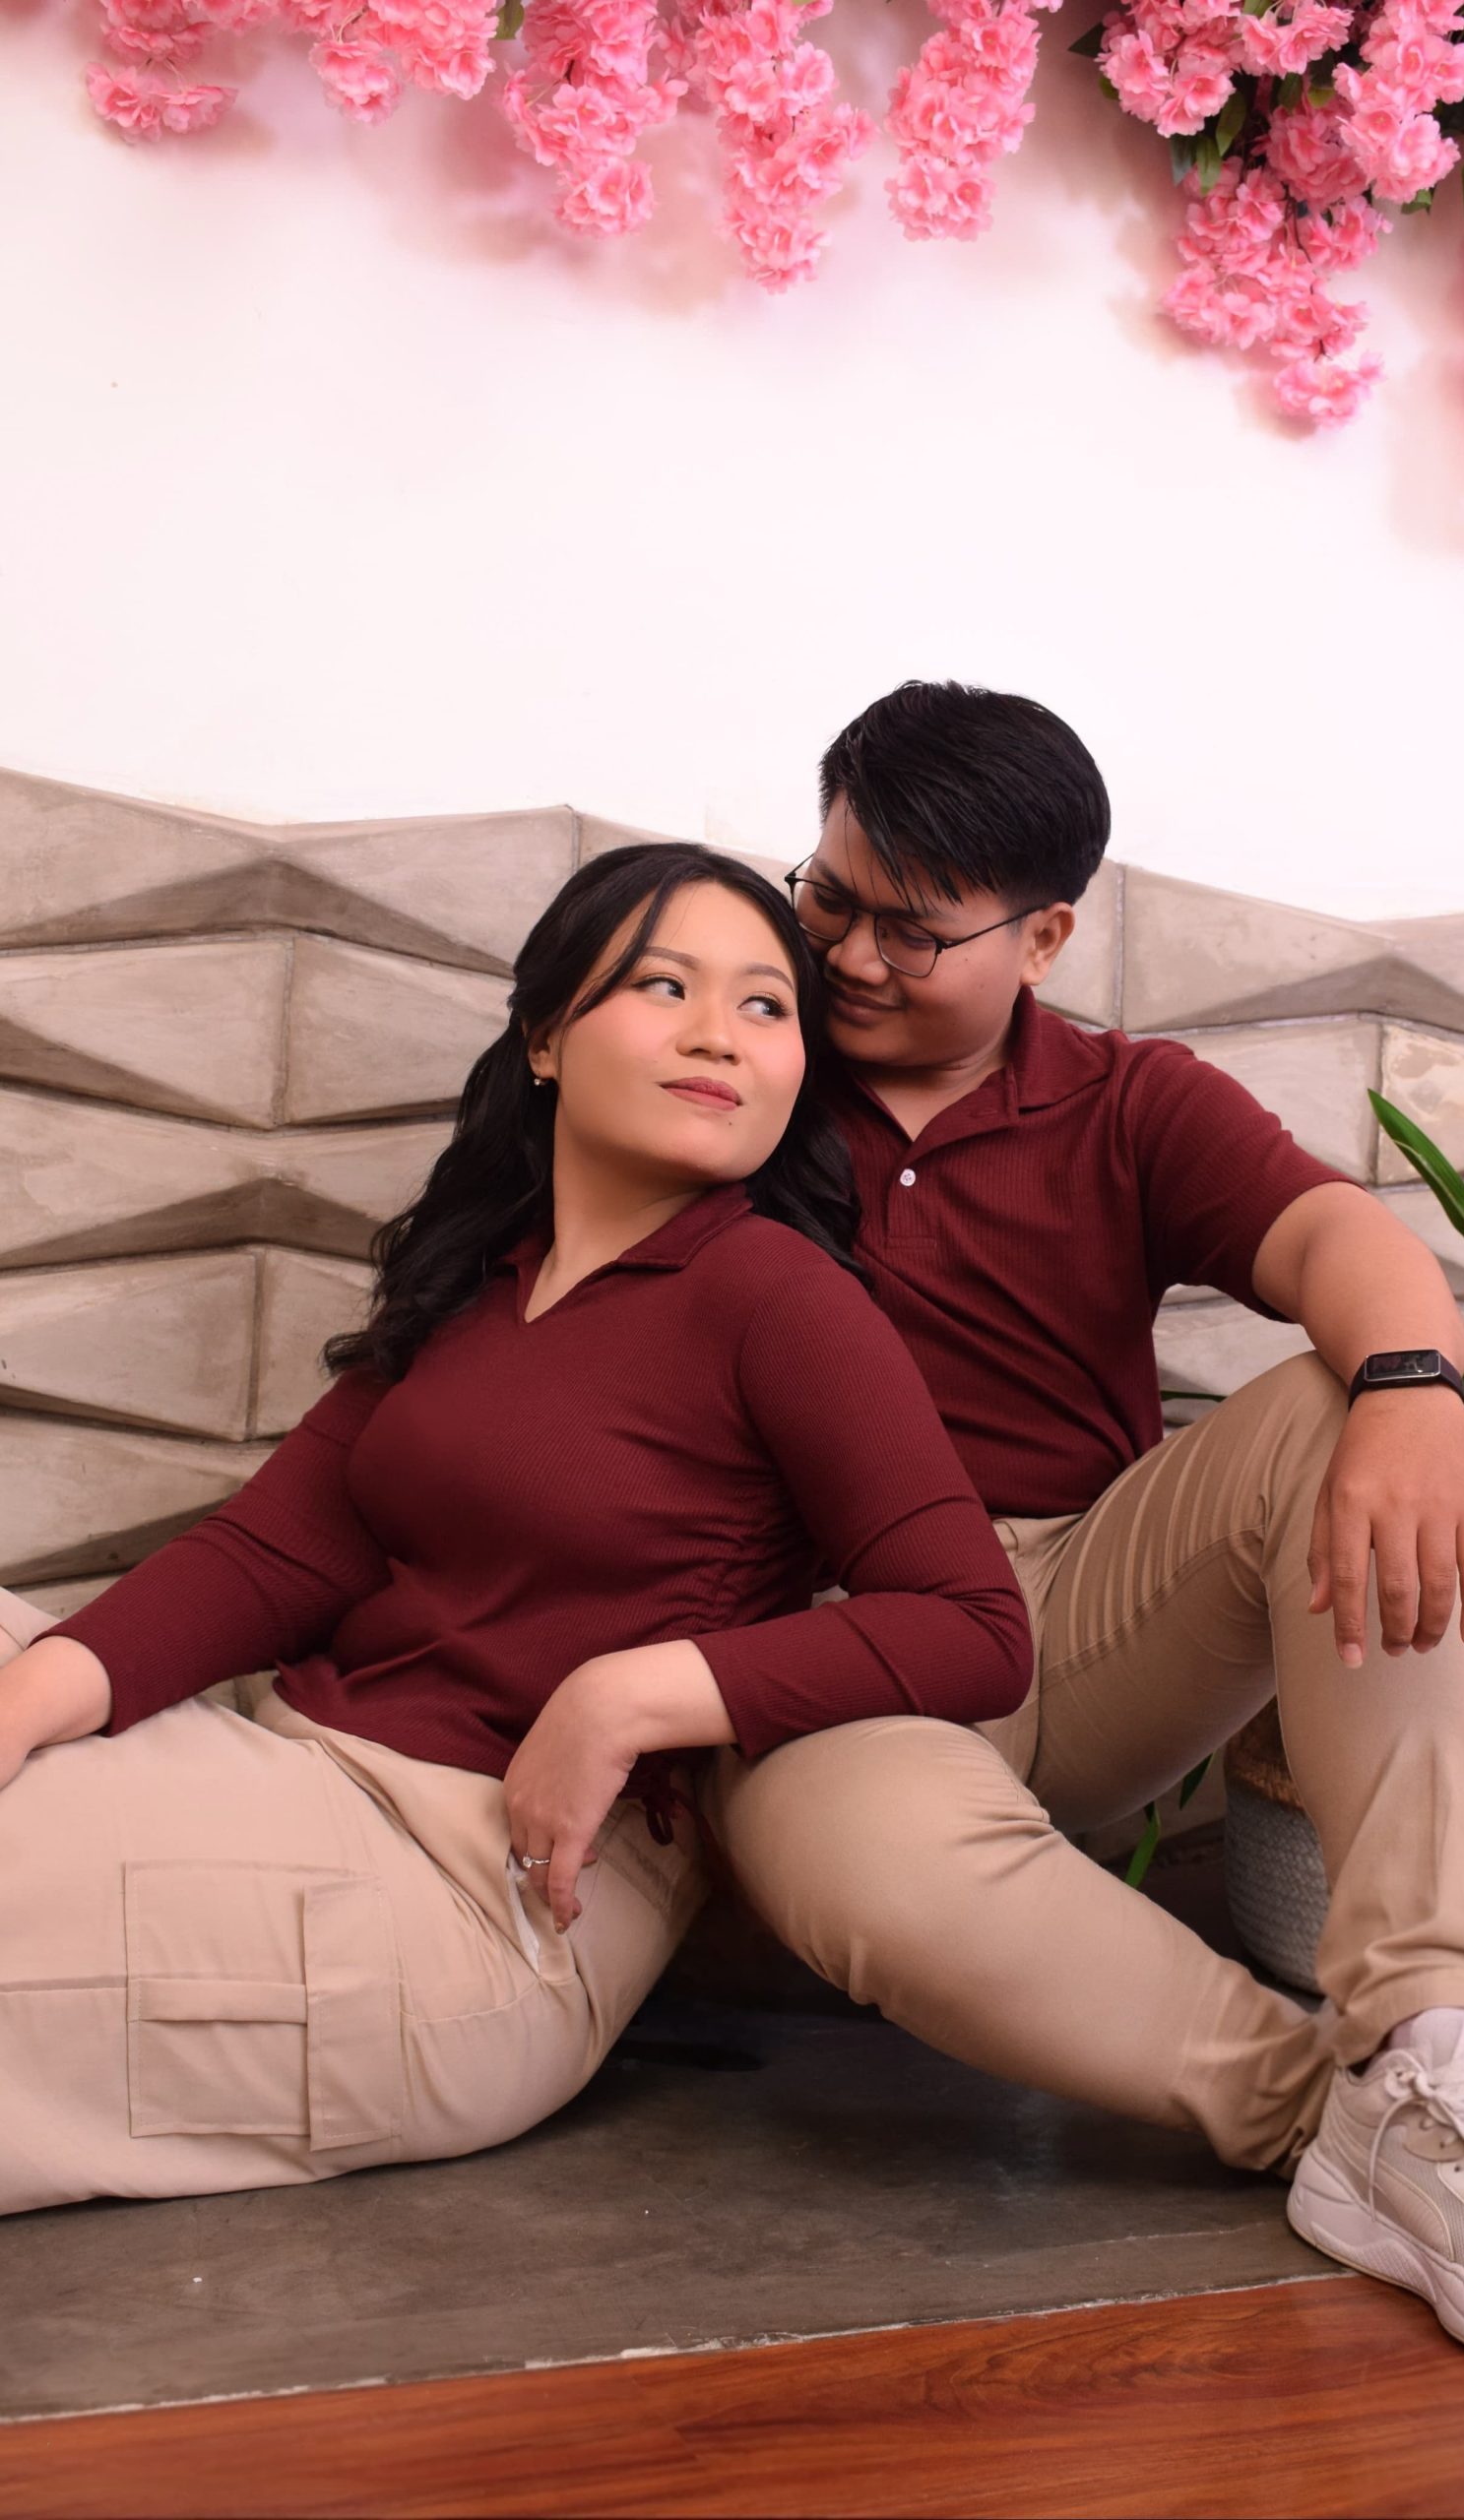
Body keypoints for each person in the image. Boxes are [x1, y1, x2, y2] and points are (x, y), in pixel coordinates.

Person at [696, 680, 1464, 2371]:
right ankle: (1405, 2116)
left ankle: (1434, 2024)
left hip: (1070, 1607)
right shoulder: (736, 1059)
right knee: (865, 1870)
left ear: (1044, 936)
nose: (848, 956)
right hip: (827, 1656)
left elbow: (1340, 1247)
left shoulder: (1124, 1098)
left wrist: (1412, 1393)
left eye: (910, 931)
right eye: (828, 895)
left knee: (1349, 1406)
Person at [0, 842, 1031, 2217]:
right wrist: (24, 1705)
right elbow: (269, 1554)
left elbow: (973, 1628)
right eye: (663, 985)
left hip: (464, 1900)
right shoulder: (480, 1281)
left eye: (765, 1004)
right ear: (545, 1038)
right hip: (294, 1766)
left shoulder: (780, 1298)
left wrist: (628, 1695)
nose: (718, 1034)